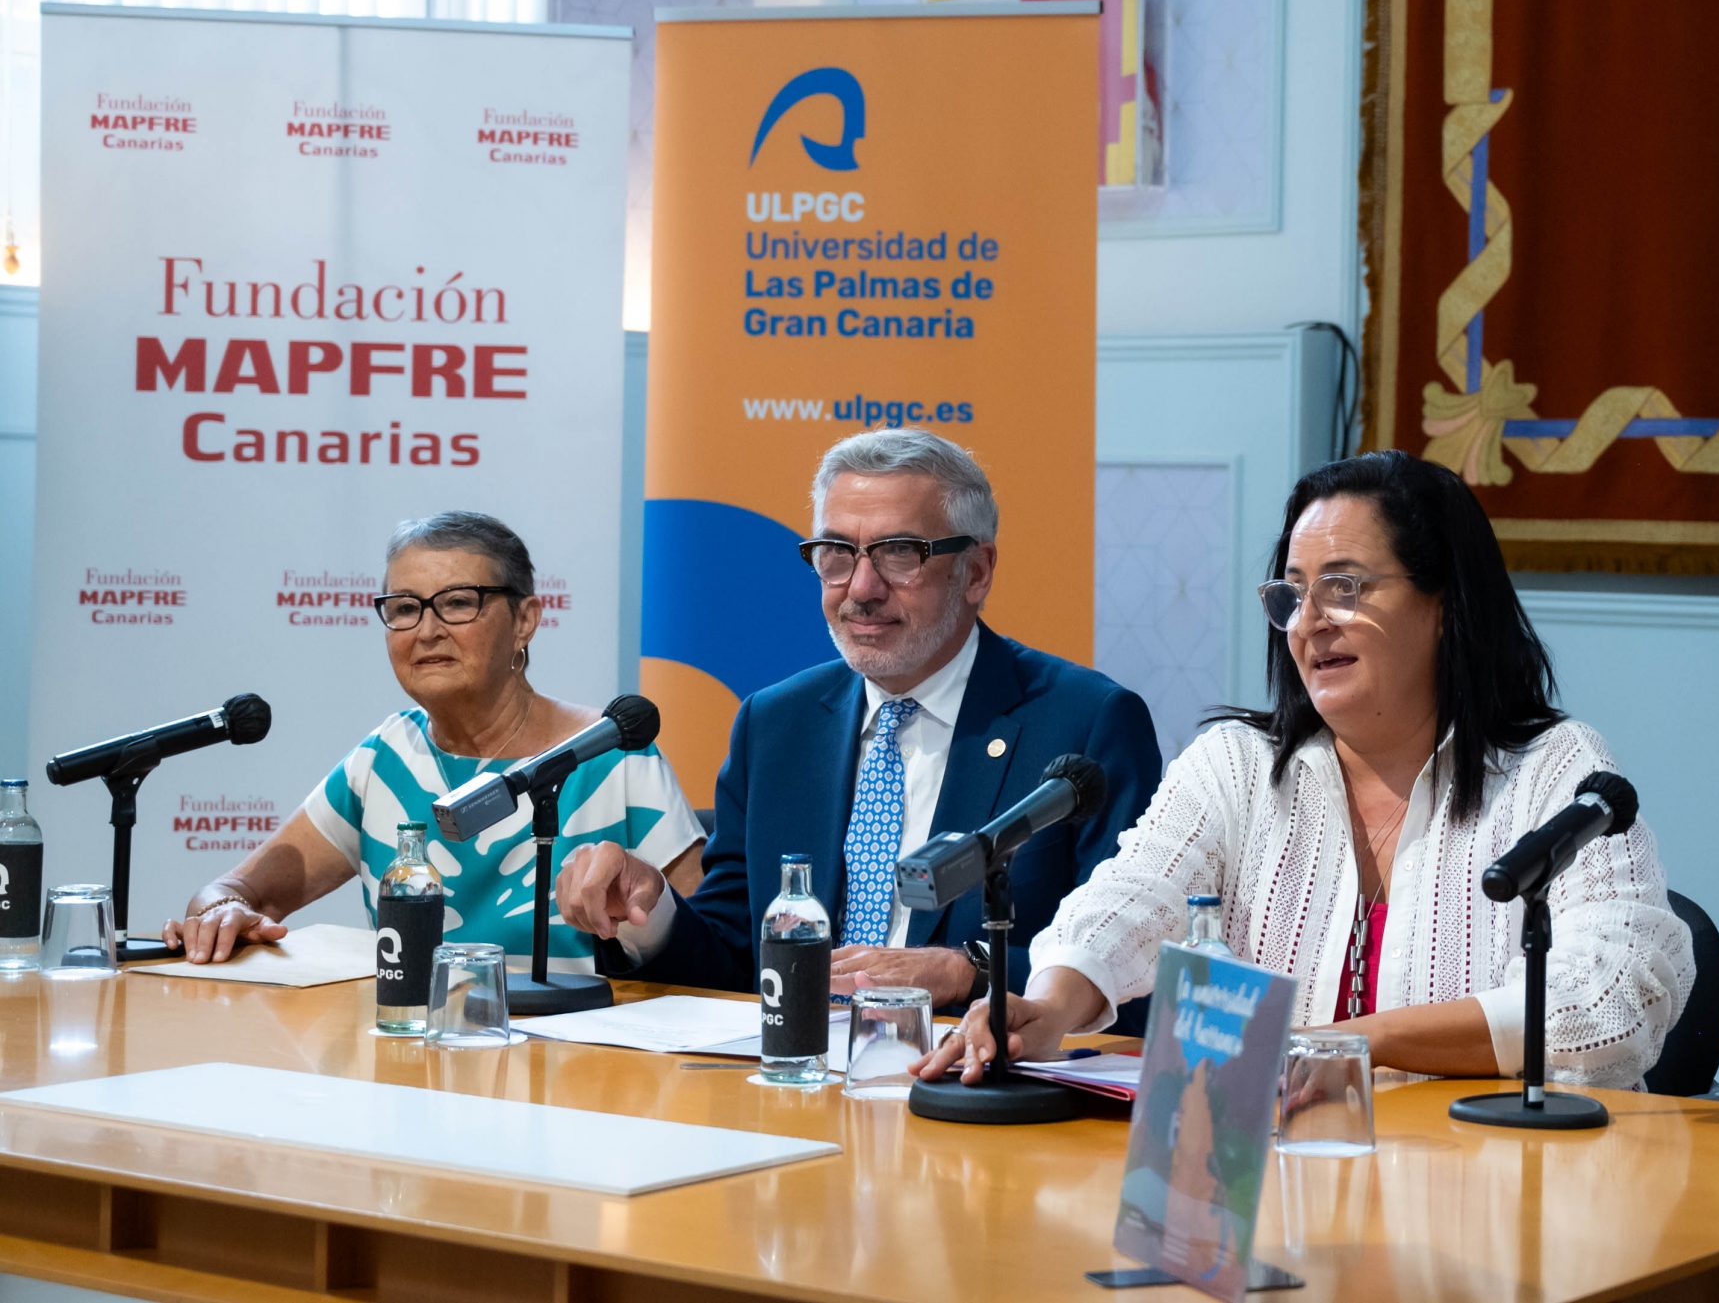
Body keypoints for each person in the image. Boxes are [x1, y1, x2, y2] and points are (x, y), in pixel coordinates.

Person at [919, 449, 1694, 1088]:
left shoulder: (1553, 771)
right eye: (1293, 595)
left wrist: (1357, 1042)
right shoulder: (1239, 766)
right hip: (1273, 1184)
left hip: (1483, 1198)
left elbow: (1614, 996)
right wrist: (1050, 1004)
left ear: (1445, 604)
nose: (1311, 621)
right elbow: (1131, 899)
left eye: (1346, 587)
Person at [558, 429, 1161, 1006]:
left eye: (900, 554)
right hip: (794, 1079)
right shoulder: (776, 723)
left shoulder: (1087, 722)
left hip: (966, 1080)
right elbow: (736, 952)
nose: (861, 588)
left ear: (975, 572)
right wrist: (650, 909)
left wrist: (969, 970)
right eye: (837, 554)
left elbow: (1133, 956)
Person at [163, 512, 703, 967]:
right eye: (404, 608)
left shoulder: (611, 752)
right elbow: (235, 891)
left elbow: (712, 949)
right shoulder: (386, 759)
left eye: (458, 602)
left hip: (584, 1069)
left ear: (525, 620)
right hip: (413, 1061)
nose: (426, 630)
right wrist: (217, 912)